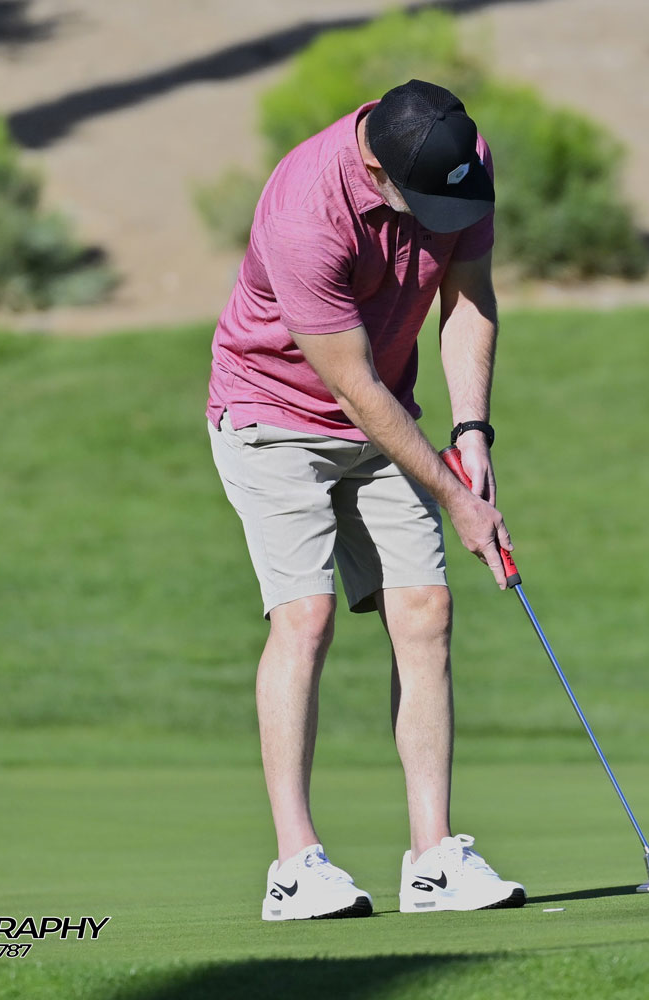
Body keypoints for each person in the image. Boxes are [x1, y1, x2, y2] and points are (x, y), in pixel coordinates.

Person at [206, 80, 526, 920]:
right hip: (275, 416)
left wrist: (473, 432)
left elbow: (469, 297)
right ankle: (294, 867)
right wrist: (457, 499)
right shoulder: (303, 213)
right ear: (378, 173)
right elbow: (352, 389)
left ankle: (433, 860)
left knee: (425, 610)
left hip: (387, 414)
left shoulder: (459, 159)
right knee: (304, 616)